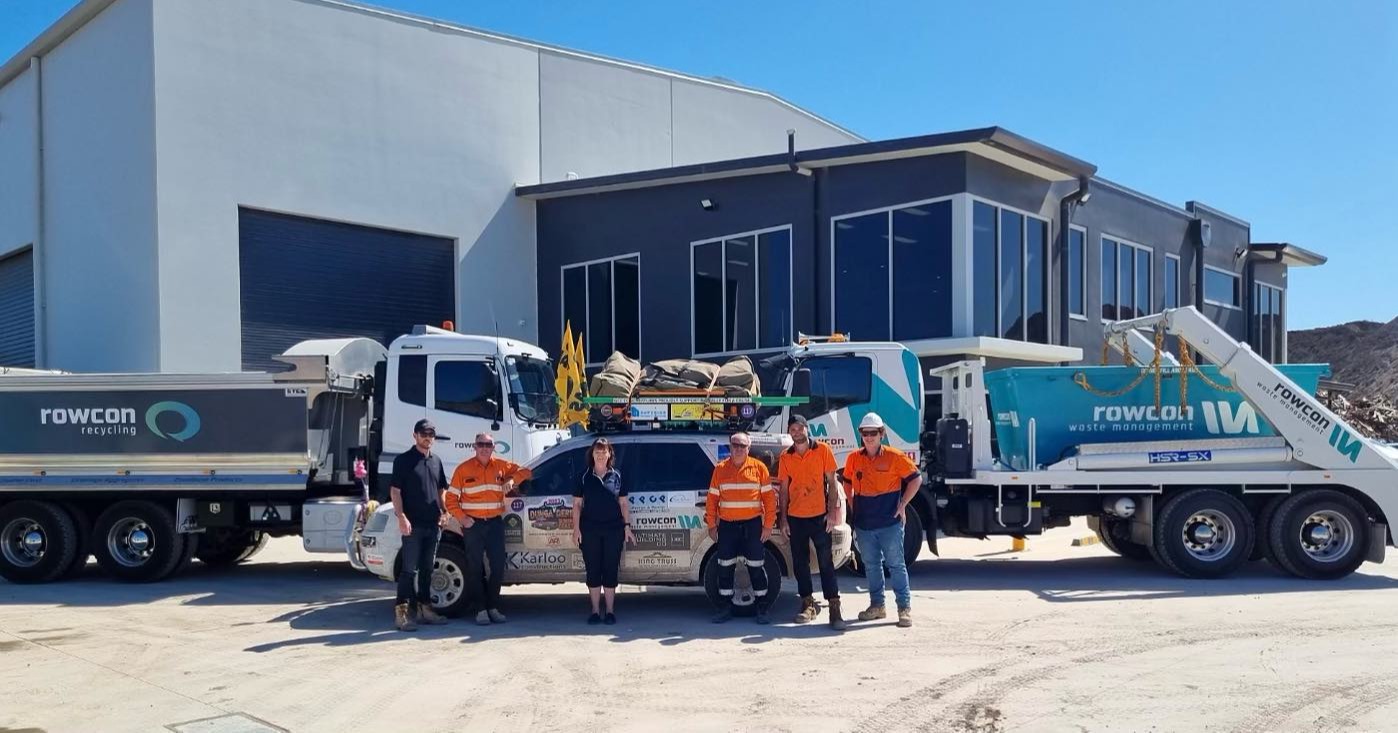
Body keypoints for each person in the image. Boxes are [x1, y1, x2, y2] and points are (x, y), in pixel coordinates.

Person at [842, 412, 922, 628]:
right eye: (865, 433)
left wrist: (903, 504)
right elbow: (847, 481)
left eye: (873, 433)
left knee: (896, 565)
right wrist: (852, 503)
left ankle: (904, 609)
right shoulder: (853, 458)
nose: (868, 437)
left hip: (890, 524)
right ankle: (877, 606)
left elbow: (916, 479)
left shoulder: (895, 457)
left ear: (881, 434)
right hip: (864, 524)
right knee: (871, 566)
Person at [445, 432, 532, 626]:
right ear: (474, 447)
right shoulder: (463, 469)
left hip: (494, 524)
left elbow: (527, 472)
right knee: (475, 568)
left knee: (498, 566)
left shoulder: (501, 466)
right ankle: (480, 610)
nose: (484, 448)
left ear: (493, 447)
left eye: (488, 444)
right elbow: (450, 499)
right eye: (481, 444)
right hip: (473, 525)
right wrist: (462, 518)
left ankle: (493, 607)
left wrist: (512, 479)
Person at [777, 414, 846, 630]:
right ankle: (807, 604)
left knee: (826, 563)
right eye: (793, 429)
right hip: (796, 518)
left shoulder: (822, 450)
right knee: (800, 564)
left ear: (807, 428)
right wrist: (783, 519)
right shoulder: (786, 456)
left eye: (800, 428)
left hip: (819, 517)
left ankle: (834, 607)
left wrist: (832, 513)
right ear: (789, 433)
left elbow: (832, 483)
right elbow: (784, 491)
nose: (797, 432)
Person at [705, 432, 777, 624]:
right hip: (727, 526)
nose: (738, 448)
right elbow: (712, 500)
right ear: (730, 446)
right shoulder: (720, 469)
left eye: (742, 445)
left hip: (752, 525)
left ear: (748, 447)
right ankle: (725, 608)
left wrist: (768, 526)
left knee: (756, 567)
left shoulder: (759, 468)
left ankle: (762, 608)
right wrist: (711, 525)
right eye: (735, 444)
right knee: (725, 567)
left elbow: (769, 500)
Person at [389, 419, 451, 631]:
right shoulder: (403, 461)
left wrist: (445, 511)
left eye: (431, 434)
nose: (428, 438)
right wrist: (401, 517)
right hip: (412, 526)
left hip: (433, 525)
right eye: (423, 434)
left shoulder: (436, 461)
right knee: (408, 571)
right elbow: (395, 491)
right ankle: (402, 614)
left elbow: (441, 489)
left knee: (427, 569)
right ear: (414, 435)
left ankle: (426, 610)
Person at [571, 437, 636, 625]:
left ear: (609, 454)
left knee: (610, 569)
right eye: (597, 452)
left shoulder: (617, 476)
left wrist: (627, 527)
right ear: (592, 454)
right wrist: (576, 529)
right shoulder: (583, 476)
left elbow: (623, 503)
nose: (600, 455)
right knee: (593, 570)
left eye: (603, 452)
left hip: (613, 530)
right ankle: (594, 611)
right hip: (590, 530)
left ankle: (609, 611)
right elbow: (577, 505)